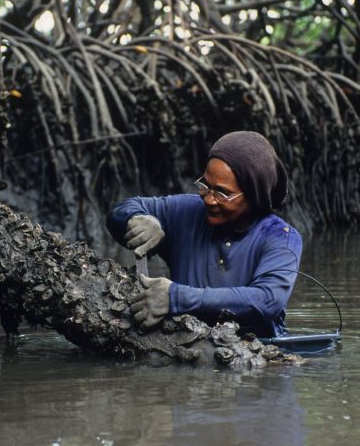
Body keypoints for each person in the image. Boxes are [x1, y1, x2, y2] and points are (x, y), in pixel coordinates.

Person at [106, 131, 302, 338]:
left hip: (257, 358)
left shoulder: (281, 237)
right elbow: (121, 210)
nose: (209, 199)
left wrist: (175, 297)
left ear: (255, 194)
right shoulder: (185, 212)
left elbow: (267, 300)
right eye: (205, 186)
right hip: (186, 346)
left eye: (222, 193)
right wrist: (137, 218)